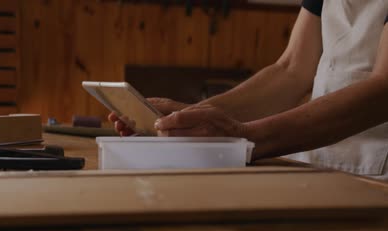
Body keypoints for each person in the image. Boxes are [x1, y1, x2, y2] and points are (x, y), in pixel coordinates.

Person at [109, 0, 388, 179]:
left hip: (379, 175)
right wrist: (191, 116)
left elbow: (382, 91)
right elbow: (291, 70)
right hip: (314, 165)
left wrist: (248, 138)